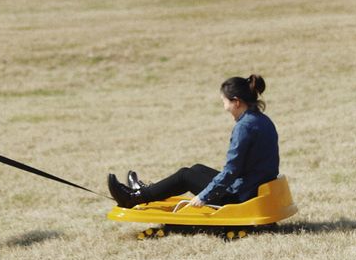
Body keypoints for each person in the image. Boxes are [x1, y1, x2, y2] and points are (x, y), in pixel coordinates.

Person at [108, 75, 278, 209]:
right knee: (196, 169)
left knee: (185, 175)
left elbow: (231, 171)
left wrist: (205, 196)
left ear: (236, 102)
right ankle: (144, 191)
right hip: (254, 187)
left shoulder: (244, 127)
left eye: (224, 101)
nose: (224, 106)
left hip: (240, 196)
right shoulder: (261, 119)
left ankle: (133, 198)